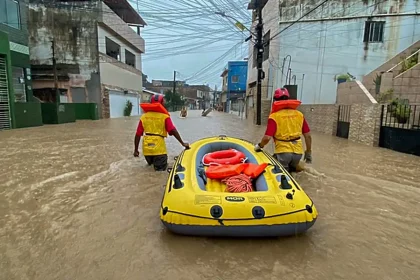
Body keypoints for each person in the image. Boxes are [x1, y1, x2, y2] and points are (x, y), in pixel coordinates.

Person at [254, 88, 312, 172]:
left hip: (283, 153)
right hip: (298, 153)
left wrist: (260, 146)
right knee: (293, 173)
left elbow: (267, 138)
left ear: (275, 100)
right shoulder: (299, 115)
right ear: (288, 99)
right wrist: (308, 152)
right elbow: (308, 136)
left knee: (279, 174)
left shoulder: (274, 116)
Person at [134, 94, 190, 171]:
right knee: (160, 172)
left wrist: (136, 150)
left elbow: (138, 134)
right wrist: (182, 143)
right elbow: (173, 131)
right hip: (159, 149)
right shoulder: (164, 117)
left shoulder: (144, 117)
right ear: (162, 104)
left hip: (146, 149)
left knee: (150, 171)